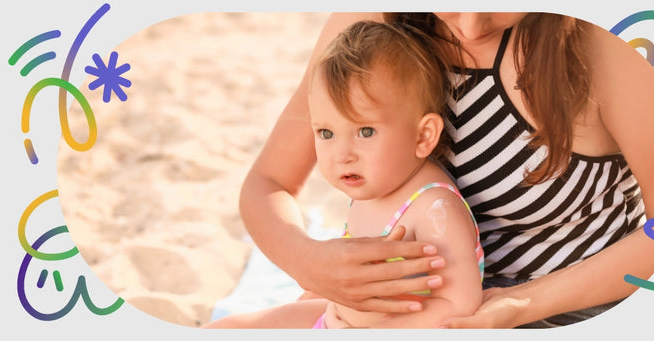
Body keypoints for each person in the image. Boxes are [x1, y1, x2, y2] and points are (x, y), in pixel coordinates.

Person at [236, 12, 654, 328]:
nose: (470, 25)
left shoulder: (603, 48)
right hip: (412, 311)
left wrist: (519, 304)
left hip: (570, 309)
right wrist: (309, 262)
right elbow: (268, 182)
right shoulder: (374, 31)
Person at [205, 20, 484, 328]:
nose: (342, 154)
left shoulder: (434, 209)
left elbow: (460, 303)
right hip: (336, 319)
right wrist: (316, 293)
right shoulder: (375, 184)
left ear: (422, 136)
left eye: (365, 131)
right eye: (326, 133)